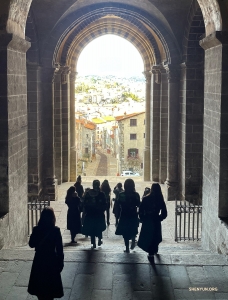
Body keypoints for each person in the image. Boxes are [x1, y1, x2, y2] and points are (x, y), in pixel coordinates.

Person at [28, 207, 64, 300]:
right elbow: (59, 249)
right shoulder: (56, 231)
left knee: (40, 288)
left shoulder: (36, 229)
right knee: (50, 288)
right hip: (51, 260)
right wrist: (60, 263)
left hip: (39, 260)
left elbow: (31, 244)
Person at [137, 183, 167, 263]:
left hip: (148, 220)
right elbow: (164, 212)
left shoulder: (146, 198)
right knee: (155, 235)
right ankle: (155, 249)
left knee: (148, 236)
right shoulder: (160, 199)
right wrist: (160, 218)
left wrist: (143, 218)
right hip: (156, 220)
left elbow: (140, 210)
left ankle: (150, 253)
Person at [115, 179, 140, 253]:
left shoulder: (121, 194)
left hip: (124, 214)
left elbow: (118, 204)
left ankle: (127, 248)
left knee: (125, 232)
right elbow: (138, 204)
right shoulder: (136, 195)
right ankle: (133, 241)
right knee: (133, 229)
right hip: (133, 214)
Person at [82, 179, 107, 248]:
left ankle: (93, 242)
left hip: (90, 213)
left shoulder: (88, 193)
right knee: (98, 228)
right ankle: (99, 239)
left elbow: (84, 203)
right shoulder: (101, 194)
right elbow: (105, 204)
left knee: (92, 228)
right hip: (98, 213)